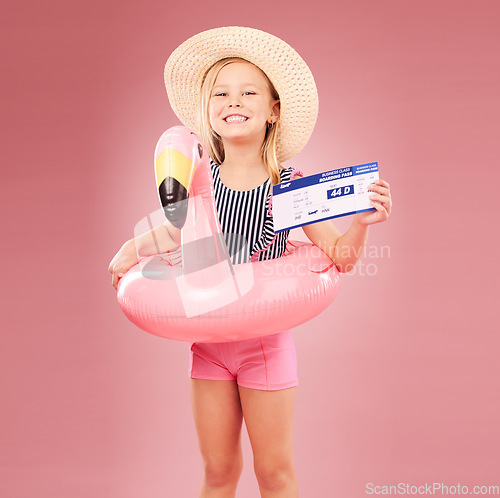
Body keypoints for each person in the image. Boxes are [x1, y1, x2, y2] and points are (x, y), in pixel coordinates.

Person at [108, 26, 392, 498]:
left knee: (274, 475)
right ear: (208, 110)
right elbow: (173, 231)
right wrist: (129, 250)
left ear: (273, 110)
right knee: (218, 473)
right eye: (220, 92)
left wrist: (361, 224)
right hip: (209, 346)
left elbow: (340, 258)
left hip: (265, 348)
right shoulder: (199, 178)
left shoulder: (291, 186)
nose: (232, 101)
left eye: (247, 92)